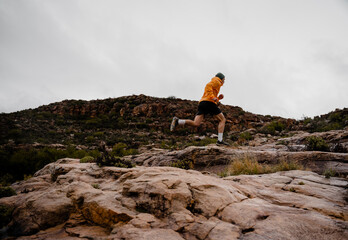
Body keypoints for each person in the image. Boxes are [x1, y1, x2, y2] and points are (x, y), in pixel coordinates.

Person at [170, 72, 229, 146]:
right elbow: (208, 86)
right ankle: (220, 140)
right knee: (222, 120)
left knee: (196, 123)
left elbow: (209, 94)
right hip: (209, 103)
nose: (224, 81)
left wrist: (218, 98)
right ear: (221, 78)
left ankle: (178, 121)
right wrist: (213, 97)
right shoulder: (217, 81)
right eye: (224, 79)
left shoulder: (216, 82)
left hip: (202, 103)